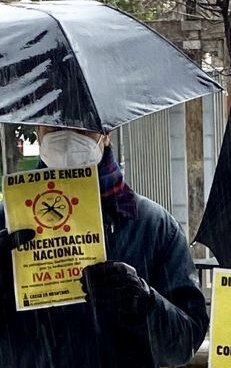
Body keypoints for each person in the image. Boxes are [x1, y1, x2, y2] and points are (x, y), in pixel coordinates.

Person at [0, 126, 208, 368]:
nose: (68, 134)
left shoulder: (154, 226)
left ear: (106, 133)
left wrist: (144, 303)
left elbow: (184, 345)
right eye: (55, 123)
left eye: (81, 125)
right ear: (38, 129)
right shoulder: (5, 223)